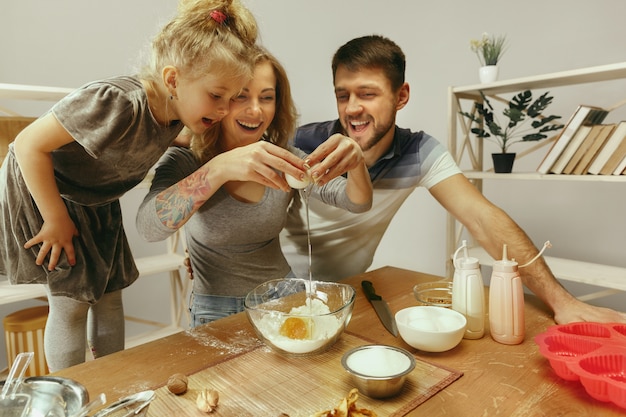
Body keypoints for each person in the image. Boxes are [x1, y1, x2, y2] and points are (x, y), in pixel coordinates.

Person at [281, 34, 626, 325]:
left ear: (401, 96)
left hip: (347, 293)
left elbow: (483, 219)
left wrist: (562, 302)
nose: (352, 108)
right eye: (343, 95)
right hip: (278, 289)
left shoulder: (418, 152)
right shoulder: (301, 142)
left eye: (367, 94)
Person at [0, 0, 259, 371]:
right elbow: (26, 145)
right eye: (216, 96)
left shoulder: (173, 116)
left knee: (110, 293)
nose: (223, 109)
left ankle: (113, 378)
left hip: (96, 199)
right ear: (173, 80)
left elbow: (155, 141)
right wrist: (54, 218)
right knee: (72, 300)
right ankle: (71, 395)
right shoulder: (117, 102)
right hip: (47, 193)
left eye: (231, 99)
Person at [136, 45, 372, 327]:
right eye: (241, 96)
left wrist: (356, 160)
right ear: (219, 100)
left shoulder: (285, 159)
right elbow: (148, 228)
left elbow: (357, 202)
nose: (256, 110)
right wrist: (219, 169)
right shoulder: (187, 161)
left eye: (267, 97)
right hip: (214, 307)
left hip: (283, 298)